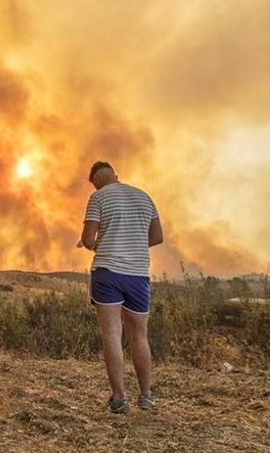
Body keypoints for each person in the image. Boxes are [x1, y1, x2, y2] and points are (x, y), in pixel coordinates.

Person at [80, 161, 163, 414]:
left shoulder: (98, 198)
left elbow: (87, 239)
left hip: (108, 272)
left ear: (95, 180)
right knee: (139, 336)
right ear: (116, 175)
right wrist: (133, 244)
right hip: (137, 275)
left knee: (112, 335)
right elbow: (158, 237)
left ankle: (119, 399)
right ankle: (146, 396)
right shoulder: (144, 197)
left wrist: (100, 243)